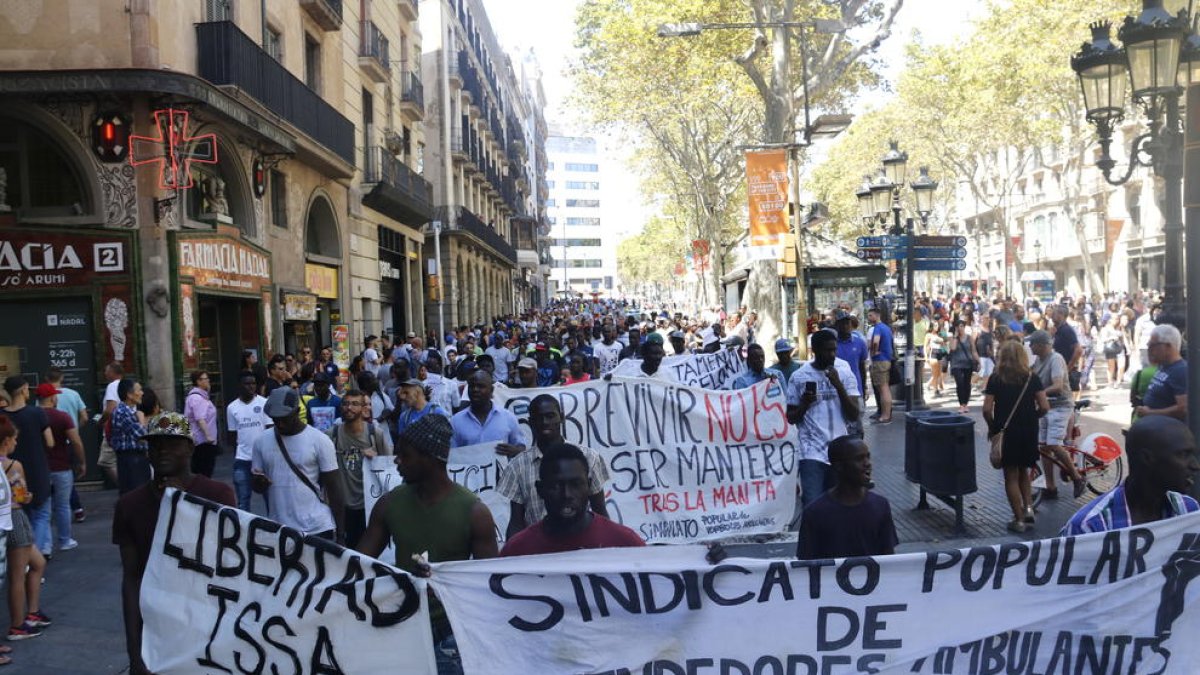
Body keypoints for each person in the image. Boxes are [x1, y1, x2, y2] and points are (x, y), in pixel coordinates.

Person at [356, 414, 498, 675]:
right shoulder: (389, 504)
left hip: (451, 634)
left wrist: (443, 581)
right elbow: (357, 565)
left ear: (431, 459)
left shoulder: (474, 513)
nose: (397, 461)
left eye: (404, 455)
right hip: (400, 624)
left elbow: (488, 585)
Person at [112, 412, 235, 675]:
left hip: (210, 630)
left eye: (171, 443)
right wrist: (135, 654)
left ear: (189, 448)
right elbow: (131, 580)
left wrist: (184, 507)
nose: (162, 451)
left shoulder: (217, 495)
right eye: (155, 445)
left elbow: (231, 566)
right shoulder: (129, 505)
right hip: (158, 634)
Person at [1063, 416, 1198, 537]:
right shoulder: (1088, 527)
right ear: (1147, 458)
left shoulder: (1189, 509)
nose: (1196, 466)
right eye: (1183, 455)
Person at [497, 395, 610, 539]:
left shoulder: (589, 458)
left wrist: (607, 547)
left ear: (561, 417)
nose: (545, 422)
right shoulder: (517, 466)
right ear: (531, 422)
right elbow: (516, 521)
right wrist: (512, 554)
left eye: (550, 416)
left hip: (583, 545)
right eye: (539, 418)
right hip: (540, 550)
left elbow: (599, 509)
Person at [501, 442, 641, 556]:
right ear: (540, 489)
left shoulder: (625, 544)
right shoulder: (517, 551)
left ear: (590, 485)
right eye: (556, 485)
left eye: (575, 485)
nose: (566, 494)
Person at [251, 387, 346, 541]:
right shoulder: (260, 442)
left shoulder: (320, 441)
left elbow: (335, 489)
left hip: (317, 528)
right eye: (275, 419)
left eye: (284, 418)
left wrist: (341, 534)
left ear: (296, 412)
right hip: (279, 529)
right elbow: (256, 485)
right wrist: (258, 483)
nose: (280, 423)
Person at [786, 330, 861, 509]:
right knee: (812, 504)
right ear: (816, 350)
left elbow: (853, 414)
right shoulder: (799, 376)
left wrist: (838, 385)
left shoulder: (844, 372)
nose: (832, 355)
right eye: (828, 351)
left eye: (834, 350)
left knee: (840, 505)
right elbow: (790, 418)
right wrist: (804, 404)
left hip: (840, 451)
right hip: (811, 451)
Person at [983, 339, 1050, 533]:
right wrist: (1033, 417)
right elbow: (1045, 406)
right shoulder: (1032, 377)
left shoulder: (996, 378)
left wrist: (993, 427)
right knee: (1024, 472)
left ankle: (1019, 519)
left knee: (1010, 475)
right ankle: (1028, 508)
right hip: (1029, 430)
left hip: (1007, 431)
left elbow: (987, 409)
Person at [796, 436, 898, 559]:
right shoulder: (814, 513)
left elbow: (889, 560)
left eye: (868, 456)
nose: (867, 463)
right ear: (839, 466)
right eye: (859, 459)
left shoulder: (881, 506)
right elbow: (806, 564)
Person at [0, 415, 48, 645]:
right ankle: (18, 624)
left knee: (37, 563)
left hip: (9, 519)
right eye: (14, 439)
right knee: (18, 574)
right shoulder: (13, 464)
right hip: (16, 518)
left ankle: (31, 613)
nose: (16, 443)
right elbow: (23, 494)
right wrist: (26, 496)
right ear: (6, 441)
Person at [329, 390, 392, 549]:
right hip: (344, 508)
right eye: (345, 403)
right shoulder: (332, 435)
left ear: (364, 409)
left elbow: (391, 467)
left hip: (370, 505)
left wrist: (376, 458)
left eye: (355, 404)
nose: (348, 407)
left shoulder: (374, 434)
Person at [1028, 331, 1086, 500]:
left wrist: (1039, 394)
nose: (1030, 347)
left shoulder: (1055, 359)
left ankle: (1077, 478)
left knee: (1053, 444)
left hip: (1060, 406)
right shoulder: (1038, 360)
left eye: (1032, 343)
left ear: (1041, 345)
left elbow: (1058, 385)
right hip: (1046, 406)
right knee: (1044, 448)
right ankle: (1050, 486)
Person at [0, 378, 53, 560]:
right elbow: (50, 441)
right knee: (41, 514)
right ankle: (32, 558)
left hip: (8, 472)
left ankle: (21, 558)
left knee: (17, 515)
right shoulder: (37, 413)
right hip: (37, 469)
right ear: (24, 390)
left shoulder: (2, 416)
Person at [35, 383, 83, 555]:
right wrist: (82, 461)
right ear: (52, 398)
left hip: (40, 468)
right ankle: (64, 540)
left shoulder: (34, 416)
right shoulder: (62, 417)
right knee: (62, 505)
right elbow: (76, 441)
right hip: (61, 465)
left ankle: (45, 546)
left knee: (43, 509)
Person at [451, 371, 525, 457]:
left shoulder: (508, 418)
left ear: (491, 390)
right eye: (472, 386)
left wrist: (515, 451)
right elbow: (452, 455)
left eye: (480, 386)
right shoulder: (456, 421)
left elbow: (521, 447)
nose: (475, 390)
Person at [226, 371, 270, 512]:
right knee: (243, 502)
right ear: (240, 385)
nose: (250, 387)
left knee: (271, 499)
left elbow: (270, 430)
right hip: (242, 460)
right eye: (247, 384)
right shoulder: (232, 408)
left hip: (264, 460)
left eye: (253, 383)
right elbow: (232, 436)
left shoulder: (264, 403)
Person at [1136, 324, 1188, 422]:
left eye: (1152, 345)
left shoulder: (1181, 370)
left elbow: (1183, 408)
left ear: (1168, 346)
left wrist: (1150, 413)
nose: (1149, 349)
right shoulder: (1163, 365)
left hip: (1168, 432)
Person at [183, 370, 220, 477]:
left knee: (202, 472)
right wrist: (208, 436)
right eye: (205, 379)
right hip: (203, 442)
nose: (208, 380)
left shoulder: (200, 396)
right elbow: (200, 419)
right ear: (198, 381)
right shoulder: (197, 398)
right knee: (204, 472)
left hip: (201, 442)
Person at [866, 308, 894, 424]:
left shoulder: (877, 328)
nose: (869, 318)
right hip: (886, 359)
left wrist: (874, 351)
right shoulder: (887, 328)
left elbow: (876, 341)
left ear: (877, 316)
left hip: (880, 361)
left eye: (870, 315)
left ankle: (885, 415)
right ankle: (886, 414)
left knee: (883, 389)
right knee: (884, 388)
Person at [98, 362, 123, 487]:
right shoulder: (125, 385)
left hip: (112, 430)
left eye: (107, 371)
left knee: (106, 461)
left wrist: (101, 421)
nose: (105, 374)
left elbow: (110, 409)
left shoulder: (113, 386)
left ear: (113, 372)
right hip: (122, 429)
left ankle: (123, 485)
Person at [948, 319, 979, 414]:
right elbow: (952, 348)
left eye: (962, 326)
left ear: (964, 327)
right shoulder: (953, 338)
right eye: (958, 326)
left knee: (967, 384)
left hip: (967, 364)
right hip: (956, 364)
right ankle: (961, 404)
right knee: (960, 384)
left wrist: (979, 361)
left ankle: (965, 404)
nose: (960, 328)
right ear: (956, 328)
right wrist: (955, 336)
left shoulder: (969, 338)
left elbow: (973, 351)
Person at [1101, 315, 1126, 388]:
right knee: (1111, 367)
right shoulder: (1105, 328)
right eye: (1115, 319)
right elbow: (1103, 339)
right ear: (1110, 320)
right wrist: (1111, 338)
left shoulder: (1120, 327)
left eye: (1118, 319)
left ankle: (1118, 382)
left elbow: (1123, 337)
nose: (1117, 320)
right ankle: (1110, 382)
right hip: (1110, 348)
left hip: (1119, 348)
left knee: (1121, 365)